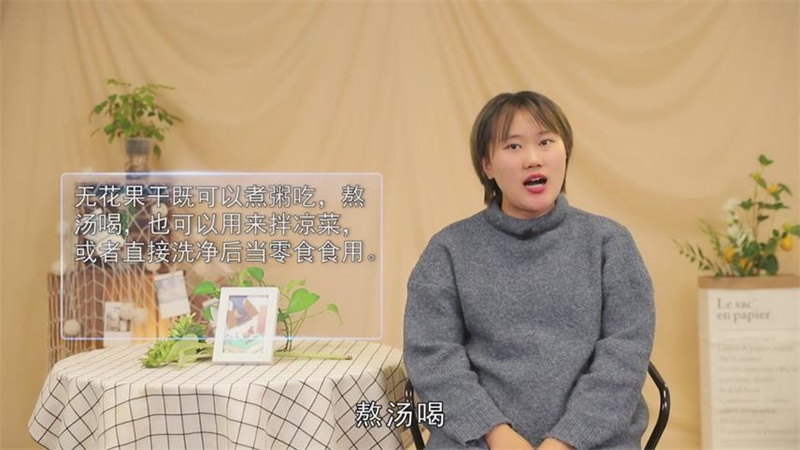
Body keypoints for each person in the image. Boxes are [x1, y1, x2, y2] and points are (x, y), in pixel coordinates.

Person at [403, 91, 655, 450]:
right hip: (476, 441)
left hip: (594, 441)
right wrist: (495, 434)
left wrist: (567, 440)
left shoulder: (609, 242)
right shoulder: (448, 249)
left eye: (545, 142)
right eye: (513, 146)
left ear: (565, 152)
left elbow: (624, 356)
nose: (533, 159)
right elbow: (432, 357)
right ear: (487, 166)